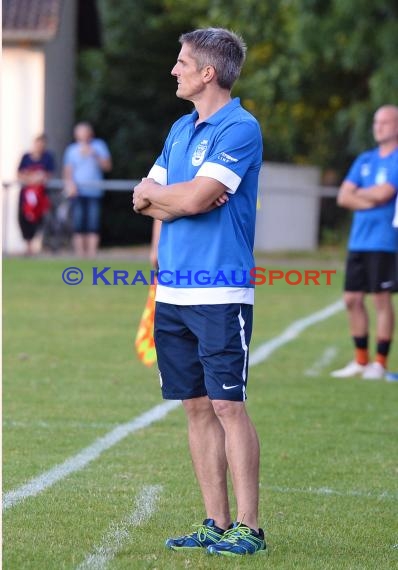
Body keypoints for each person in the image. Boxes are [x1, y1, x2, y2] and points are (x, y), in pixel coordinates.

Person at [133, 28, 265, 556]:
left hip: (220, 290)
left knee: (227, 405)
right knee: (194, 406)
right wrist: (176, 198)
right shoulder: (179, 129)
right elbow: (146, 198)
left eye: (183, 62)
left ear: (208, 73)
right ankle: (215, 520)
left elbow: (195, 198)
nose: (175, 70)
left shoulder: (241, 126)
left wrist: (176, 198)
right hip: (173, 291)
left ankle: (249, 527)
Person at [331, 105, 398, 380]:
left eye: (384, 122)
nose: (378, 126)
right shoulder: (365, 159)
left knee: (381, 300)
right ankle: (361, 360)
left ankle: (380, 364)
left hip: (384, 241)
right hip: (358, 240)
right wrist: (369, 199)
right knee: (351, 299)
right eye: (375, 121)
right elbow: (343, 197)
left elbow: (386, 193)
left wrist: (362, 196)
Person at [63, 122, 112, 257]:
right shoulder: (71, 150)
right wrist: (70, 185)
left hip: (95, 191)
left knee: (93, 223)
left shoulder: (99, 146)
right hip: (77, 192)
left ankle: (92, 253)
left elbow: (107, 166)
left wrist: (94, 154)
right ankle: (80, 254)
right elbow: (68, 170)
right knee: (78, 223)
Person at [17, 134, 55, 256]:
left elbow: (48, 175)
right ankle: (28, 247)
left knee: (40, 220)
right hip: (26, 196)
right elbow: (20, 174)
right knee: (24, 219)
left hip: (40, 196)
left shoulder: (48, 157)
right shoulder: (26, 157)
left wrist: (35, 178)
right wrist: (32, 178)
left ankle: (40, 245)